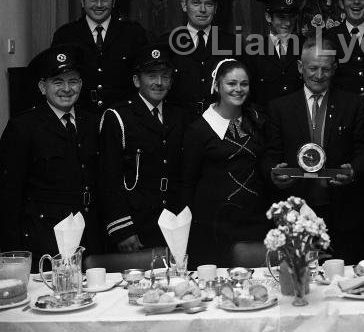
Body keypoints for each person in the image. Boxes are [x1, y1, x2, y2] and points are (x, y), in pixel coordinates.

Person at [264, 37, 364, 264]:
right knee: (301, 278)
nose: (319, 75)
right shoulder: (279, 107)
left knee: (342, 278)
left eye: (325, 69)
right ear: (300, 67)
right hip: (296, 212)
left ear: (334, 69)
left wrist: (354, 171)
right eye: (313, 68)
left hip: (342, 211)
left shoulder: (352, 104)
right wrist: (274, 173)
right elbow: (269, 154)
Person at [0, 45, 101, 262]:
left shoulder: (92, 122)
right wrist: (12, 253)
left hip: (90, 235)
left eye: (73, 81)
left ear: (81, 85)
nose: (67, 89)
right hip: (44, 237)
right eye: (58, 82)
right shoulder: (23, 127)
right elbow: (9, 195)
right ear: (42, 87)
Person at [181, 59, 269, 267]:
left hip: (255, 222)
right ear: (217, 85)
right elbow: (187, 182)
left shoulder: (257, 122)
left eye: (244, 84)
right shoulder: (199, 129)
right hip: (214, 227)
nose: (238, 89)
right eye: (231, 83)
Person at [99, 43, 186, 252]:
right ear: (137, 80)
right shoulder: (118, 116)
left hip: (174, 222)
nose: (159, 83)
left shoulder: (181, 116)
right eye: (151, 76)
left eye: (165, 76)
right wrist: (122, 228)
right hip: (136, 223)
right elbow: (107, 178)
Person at [51, 0, 148, 113]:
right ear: (82, 1)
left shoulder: (133, 33)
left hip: (124, 114)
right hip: (80, 113)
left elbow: (143, 75)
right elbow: (55, 77)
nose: (99, 5)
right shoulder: (65, 34)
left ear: (114, 2)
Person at [166, 0, 237, 120]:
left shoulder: (230, 43)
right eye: (196, 3)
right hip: (180, 125)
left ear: (216, 8)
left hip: (221, 123)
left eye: (209, 4)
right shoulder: (167, 43)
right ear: (184, 5)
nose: (202, 10)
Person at [244, 0, 304, 108]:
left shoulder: (307, 46)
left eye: (291, 17)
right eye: (281, 17)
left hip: (300, 119)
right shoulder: (253, 51)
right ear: (268, 17)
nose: (287, 23)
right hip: (267, 121)